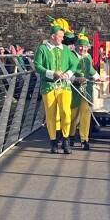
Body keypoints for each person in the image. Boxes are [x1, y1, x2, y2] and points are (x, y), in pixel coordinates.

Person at [34, 19, 78, 154]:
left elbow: (74, 63)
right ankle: (53, 142)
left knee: (66, 112)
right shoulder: (42, 49)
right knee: (51, 114)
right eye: (60, 36)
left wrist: (68, 74)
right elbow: (37, 65)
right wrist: (52, 73)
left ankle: (65, 140)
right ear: (53, 36)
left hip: (64, 86)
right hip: (48, 86)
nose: (63, 39)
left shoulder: (66, 50)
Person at [69, 33, 101, 150]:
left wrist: (98, 77)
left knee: (86, 114)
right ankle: (71, 136)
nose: (83, 49)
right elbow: (66, 71)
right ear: (76, 46)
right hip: (74, 89)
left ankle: (84, 139)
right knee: (73, 115)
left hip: (86, 90)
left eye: (86, 46)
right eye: (81, 46)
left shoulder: (88, 57)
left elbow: (90, 70)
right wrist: (75, 79)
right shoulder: (71, 56)